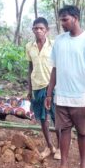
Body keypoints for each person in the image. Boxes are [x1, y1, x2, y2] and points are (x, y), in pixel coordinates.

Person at [45, 5, 85, 168]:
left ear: (75, 18)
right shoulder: (59, 41)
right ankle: (64, 164)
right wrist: (49, 93)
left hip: (81, 98)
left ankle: (83, 165)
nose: (62, 23)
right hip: (61, 96)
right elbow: (54, 69)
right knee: (63, 131)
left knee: (83, 132)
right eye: (61, 20)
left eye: (65, 20)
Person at [26, 17, 60, 160]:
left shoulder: (54, 45)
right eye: (36, 28)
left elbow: (58, 67)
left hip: (52, 86)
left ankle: (60, 147)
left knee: (56, 117)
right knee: (42, 118)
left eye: (41, 28)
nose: (38, 31)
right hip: (37, 86)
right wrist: (29, 89)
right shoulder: (29, 46)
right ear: (33, 30)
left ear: (47, 30)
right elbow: (30, 68)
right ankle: (49, 146)